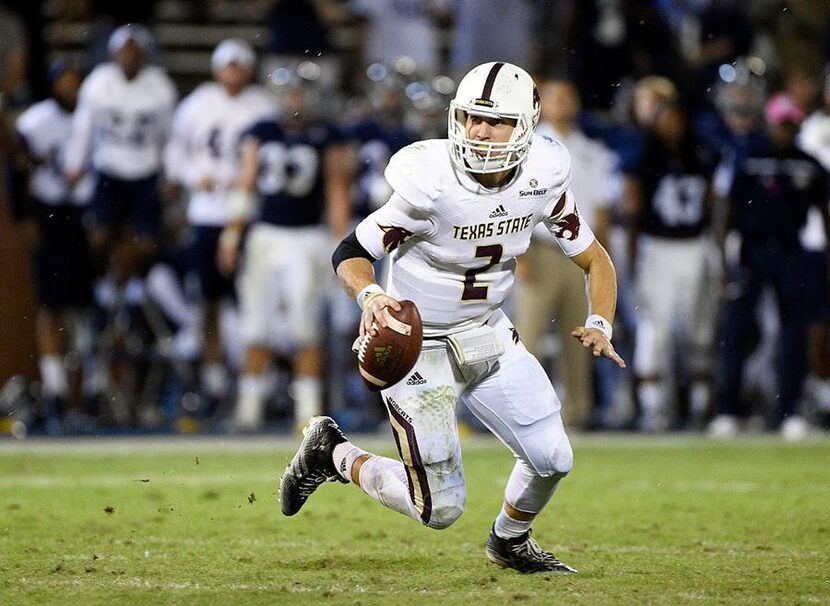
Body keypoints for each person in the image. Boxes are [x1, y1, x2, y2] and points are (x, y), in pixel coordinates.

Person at [280, 62, 625, 574]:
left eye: (496, 121)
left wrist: (600, 322)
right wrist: (371, 295)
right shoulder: (431, 186)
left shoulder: (542, 179)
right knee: (439, 509)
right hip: (419, 347)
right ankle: (333, 453)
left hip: (489, 335)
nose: (480, 131)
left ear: (527, 126)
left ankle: (510, 540)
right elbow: (351, 250)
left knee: (554, 459)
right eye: (471, 119)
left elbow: (595, 259)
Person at [217, 73, 351, 432]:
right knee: (255, 324)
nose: (294, 102)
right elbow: (247, 182)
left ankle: (306, 416)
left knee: (305, 328)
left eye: (300, 94)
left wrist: (340, 245)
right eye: (289, 94)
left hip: (308, 237)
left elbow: (337, 189)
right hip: (265, 235)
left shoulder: (327, 135)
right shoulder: (262, 131)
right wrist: (232, 235)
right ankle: (249, 409)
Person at [709, 93, 830, 440]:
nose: (786, 132)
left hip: (793, 252)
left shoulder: (809, 163)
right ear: (771, 123)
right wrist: (723, 260)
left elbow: (824, 211)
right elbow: (725, 211)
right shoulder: (748, 158)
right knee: (737, 332)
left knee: (794, 332)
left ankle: (789, 411)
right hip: (752, 250)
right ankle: (728, 410)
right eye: (782, 125)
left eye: (792, 125)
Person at [165, 39, 276, 415]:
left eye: (238, 65)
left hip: (250, 213)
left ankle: (256, 380)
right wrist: (196, 176)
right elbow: (174, 152)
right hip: (207, 212)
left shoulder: (262, 105)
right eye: (227, 66)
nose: (232, 73)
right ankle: (213, 379)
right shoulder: (197, 103)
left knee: (254, 298)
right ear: (216, 68)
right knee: (208, 300)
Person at [515, 77, 616, 430]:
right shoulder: (526, 145)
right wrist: (519, 254)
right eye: (554, 96)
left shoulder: (591, 149)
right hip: (540, 249)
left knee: (581, 338)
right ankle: (522, 415)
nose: (561, 102)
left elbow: (601, 210)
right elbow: (516, 203)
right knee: (527, 338)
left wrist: (603, 260)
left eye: (567, 95)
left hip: (581, 253)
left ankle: (578, 413)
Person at [623, 76, 718, 432]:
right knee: (654, 330)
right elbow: (632, 210)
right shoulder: (644, 154)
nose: (671, 125)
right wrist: (633, 258)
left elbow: (713, 201)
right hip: (657, 246)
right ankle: (653, 409)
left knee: (699, 330)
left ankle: (700, 405)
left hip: (693, 245)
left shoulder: (699, 152)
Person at [64, 24, 177, 288]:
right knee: (99, 238)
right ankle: (100, 289)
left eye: (135, 52)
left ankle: (134, 291)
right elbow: (84, 127)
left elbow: (169, 137)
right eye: (124, 52)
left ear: (145, 56)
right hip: (109, 168)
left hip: (145, 170)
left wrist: (171, 173)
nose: (129, 58)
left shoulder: (160, 86)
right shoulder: (98, 82)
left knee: (147, 243)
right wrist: (74, 164)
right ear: (113, 55)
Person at [13, 63, 93, 432]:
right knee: (51, 305)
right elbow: (18, 170)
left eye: (75, 80)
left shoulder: (93, 115)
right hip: (49, 217)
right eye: (65, 80)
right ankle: (56, 391)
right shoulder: (36, 121)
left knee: (85, 309)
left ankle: (86, 392)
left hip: (84, 216)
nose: (71, 87)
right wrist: (23, 217)